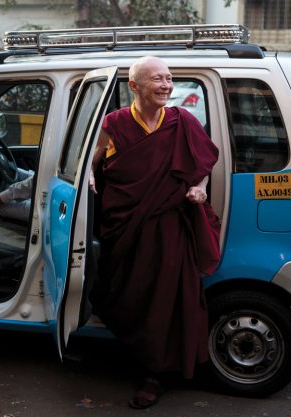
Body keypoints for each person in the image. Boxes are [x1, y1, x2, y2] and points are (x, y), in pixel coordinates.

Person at [89, 56, 221, 409]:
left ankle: (155, 373)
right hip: (125, 227)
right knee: (128, 295)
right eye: (157, 79)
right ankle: (134, 353)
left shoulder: (182, 121)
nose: (166, 85)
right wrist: (87, 173)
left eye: (169, 78)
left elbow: (203, 163)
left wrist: (200, 186)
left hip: (168, 227)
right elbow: (93, 159)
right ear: (134, 86)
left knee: (165, 300)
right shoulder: (113, 124)